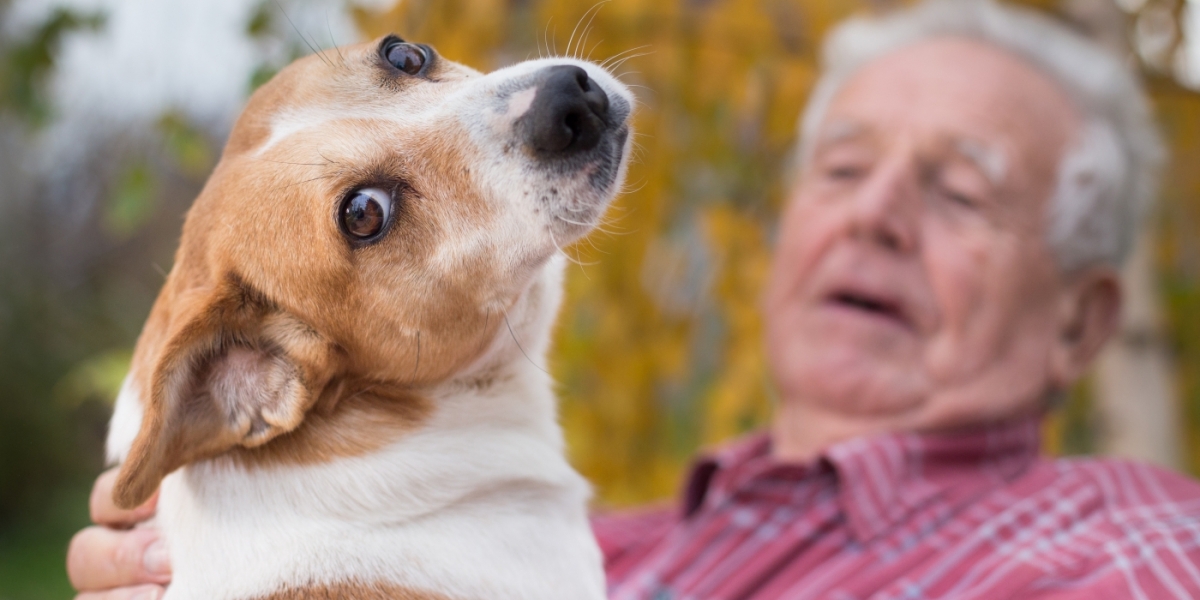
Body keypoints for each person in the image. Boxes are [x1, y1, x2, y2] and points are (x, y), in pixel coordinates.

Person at [67, 1, 1200, 598]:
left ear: (1082, 323)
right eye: (845, 168)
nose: (875, 216)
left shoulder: (1127, 553)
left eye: (960, 190)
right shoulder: (590, 538)